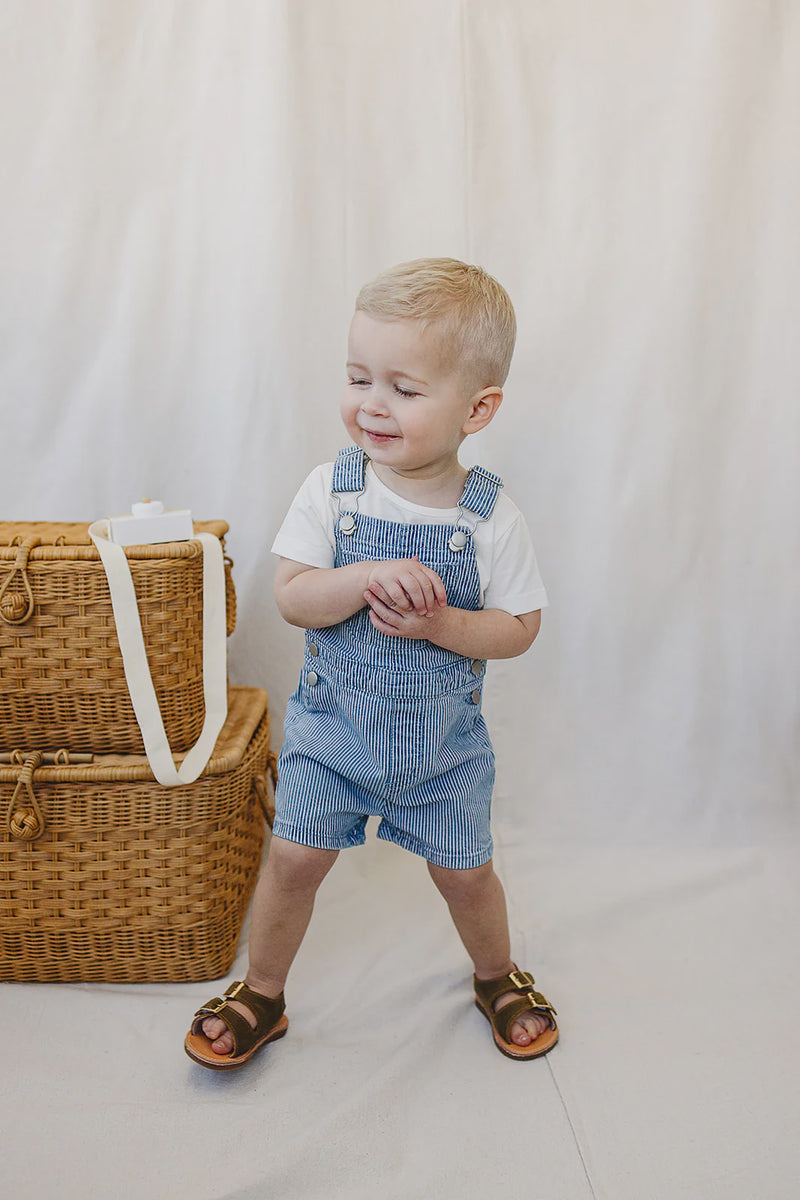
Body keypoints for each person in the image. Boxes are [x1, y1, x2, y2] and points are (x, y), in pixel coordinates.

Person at [184, 257, 558, 1069]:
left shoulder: (489, 516)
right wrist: (354, 580)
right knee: (292, 860)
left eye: (404, 388)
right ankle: (264, 991)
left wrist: (446, 624)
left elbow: (520, 625)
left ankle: (495, 975)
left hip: (443, 752)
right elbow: (290, 595)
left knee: (466, 875)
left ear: (478, 408)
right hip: (334, 735)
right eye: (358, 378)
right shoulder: (334, 491)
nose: (371, 404)